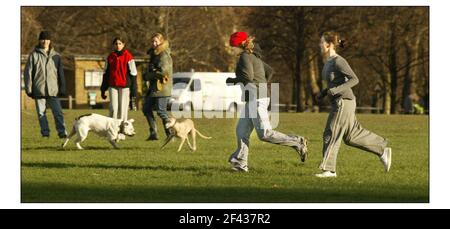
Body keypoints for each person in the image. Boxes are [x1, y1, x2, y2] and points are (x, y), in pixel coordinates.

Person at [226, 31, 308, 172]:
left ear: (239, 44)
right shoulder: (253, 56)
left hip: (257, 99)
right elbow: (270, 71)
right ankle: (240, 164)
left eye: (232, 46)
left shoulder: (245, 57)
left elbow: (248, 76)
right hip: (254, 97)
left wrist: (234, 80)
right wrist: (262, 85)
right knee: (241, 131)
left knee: (265, 134)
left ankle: (298, 142)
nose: (231, 49)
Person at [315, 31, 392, 178]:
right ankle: (382, 149)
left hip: (343, 102)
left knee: (331, 133)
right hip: (341, 102)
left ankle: (329, 170)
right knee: (351, 136)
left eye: (321, 42)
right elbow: (334, 82)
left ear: (329, 44)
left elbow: (354, 79)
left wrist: (335, 90)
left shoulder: (339, 61)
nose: (319, 44)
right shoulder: (328, 62)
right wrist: (324, 92)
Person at [24, 30, 68, 138]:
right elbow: (28, 73)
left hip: (53, 90)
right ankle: (45, 133)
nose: (45, 41)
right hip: (39, 90)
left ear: (50, 41)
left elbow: (60, 74)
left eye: (47, 39)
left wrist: (62, 88)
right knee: (41, 114)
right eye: (43, 39)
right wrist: (29, 89)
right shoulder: (33, 56)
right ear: (39, 41)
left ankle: (62, 133)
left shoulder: (56, 56)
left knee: (58, 113)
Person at [142, 33, 173, 140]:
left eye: (156, 41)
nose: (153, 43)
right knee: (146, 108)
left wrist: (149, 75)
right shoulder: (154, 54)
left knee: (161, 111)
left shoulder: (163, 54)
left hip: (162, 88)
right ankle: (153, 133)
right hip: (154, 88)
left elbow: (164, 72)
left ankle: (170, 133)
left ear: (161, 42)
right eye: (152, 41)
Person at [101, 37, 137, 122]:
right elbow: (106, 74)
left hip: (125, 87)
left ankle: (122, 131)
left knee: (123, 110)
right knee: (113, 108)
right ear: (114, 45)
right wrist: (103, 89)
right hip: (112, 86)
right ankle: (112, 130)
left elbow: (133, 74)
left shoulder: (129, 57)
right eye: (116, 44)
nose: (118, 45)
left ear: (123, 45)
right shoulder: (110, 57)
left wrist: (133, 91)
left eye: (120, 43)